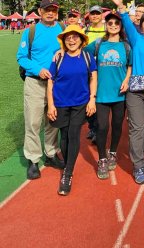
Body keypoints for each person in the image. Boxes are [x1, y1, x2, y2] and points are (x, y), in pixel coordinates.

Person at [109, 0, 144, 184]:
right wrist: (121, 5)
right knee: (136, 128)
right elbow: (125, 19)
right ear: (141, 24)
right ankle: (138, 165)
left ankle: (139, 153)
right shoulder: (136, 38)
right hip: (135, 91)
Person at [16, 0, 65, 180]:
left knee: (53, 121)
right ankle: (33, 160)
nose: (50, 12)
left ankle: (51, 154)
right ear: (40, 11)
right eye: (47, 9)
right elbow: (21, 57)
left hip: (57, 84)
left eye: (53, 9)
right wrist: (38, 69)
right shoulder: (31, 31)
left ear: (57, 12)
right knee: (33, 122)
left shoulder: (63, 29)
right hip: (35, 82)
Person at [47, 25, 97, 195]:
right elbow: (50, 81)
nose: (72, 40)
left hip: (80, 103)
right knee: (64, 136)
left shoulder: (87, 56)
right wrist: (51, 104)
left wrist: (92, 99)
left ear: (82, 40)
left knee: (74, 134)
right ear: (64, 40)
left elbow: (93, 78)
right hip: (60, 103)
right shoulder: (58, 57)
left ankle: (67, 173)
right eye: (68, 37)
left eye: (76, 37)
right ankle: (68, 163)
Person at [85, 12, 131, 180]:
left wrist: (126, 80)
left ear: (120, 26)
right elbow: (81, 51)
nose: (112, 25)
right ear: (106, 25)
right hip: (101, 94)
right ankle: (102, 159)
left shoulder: (126, 46)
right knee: (102, 127)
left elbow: (130, 65)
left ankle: (112, 152)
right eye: (110, 23)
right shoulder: (98, 44)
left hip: (120, 94)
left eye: (116, 23)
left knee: (117, 125)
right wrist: (61, 51)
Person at [85, 5, 106, 142]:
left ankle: (99, 129)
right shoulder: (85, 31)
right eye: (92, 14)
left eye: (97, 14)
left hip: (104, 70)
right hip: (87, 70)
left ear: (102, 15)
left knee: (100, 100)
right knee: (89, 99)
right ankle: (92, 127)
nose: (95, 16)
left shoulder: (107, 30)